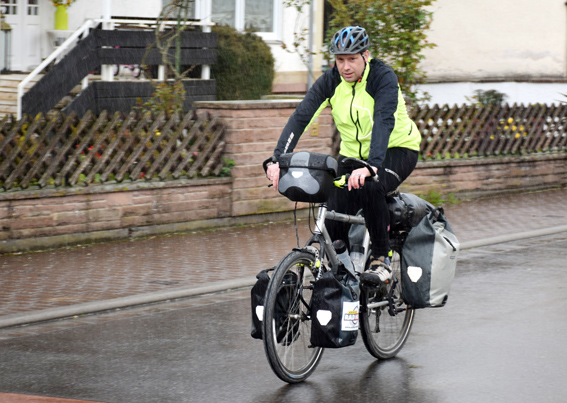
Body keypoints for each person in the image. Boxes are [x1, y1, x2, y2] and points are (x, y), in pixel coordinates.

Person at [265, 26, 421, 288]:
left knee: (371, 186)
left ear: (366, 56)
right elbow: (302, 116)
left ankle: (381, 259)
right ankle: (345, 268)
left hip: (397, 150)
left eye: (352, 59)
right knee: (332, 197)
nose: (345, 66)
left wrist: (372, 167)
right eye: (340, 60)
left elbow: (384, 120)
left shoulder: (382, 78)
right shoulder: (331, 81)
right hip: (353, 156)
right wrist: (277, 158)